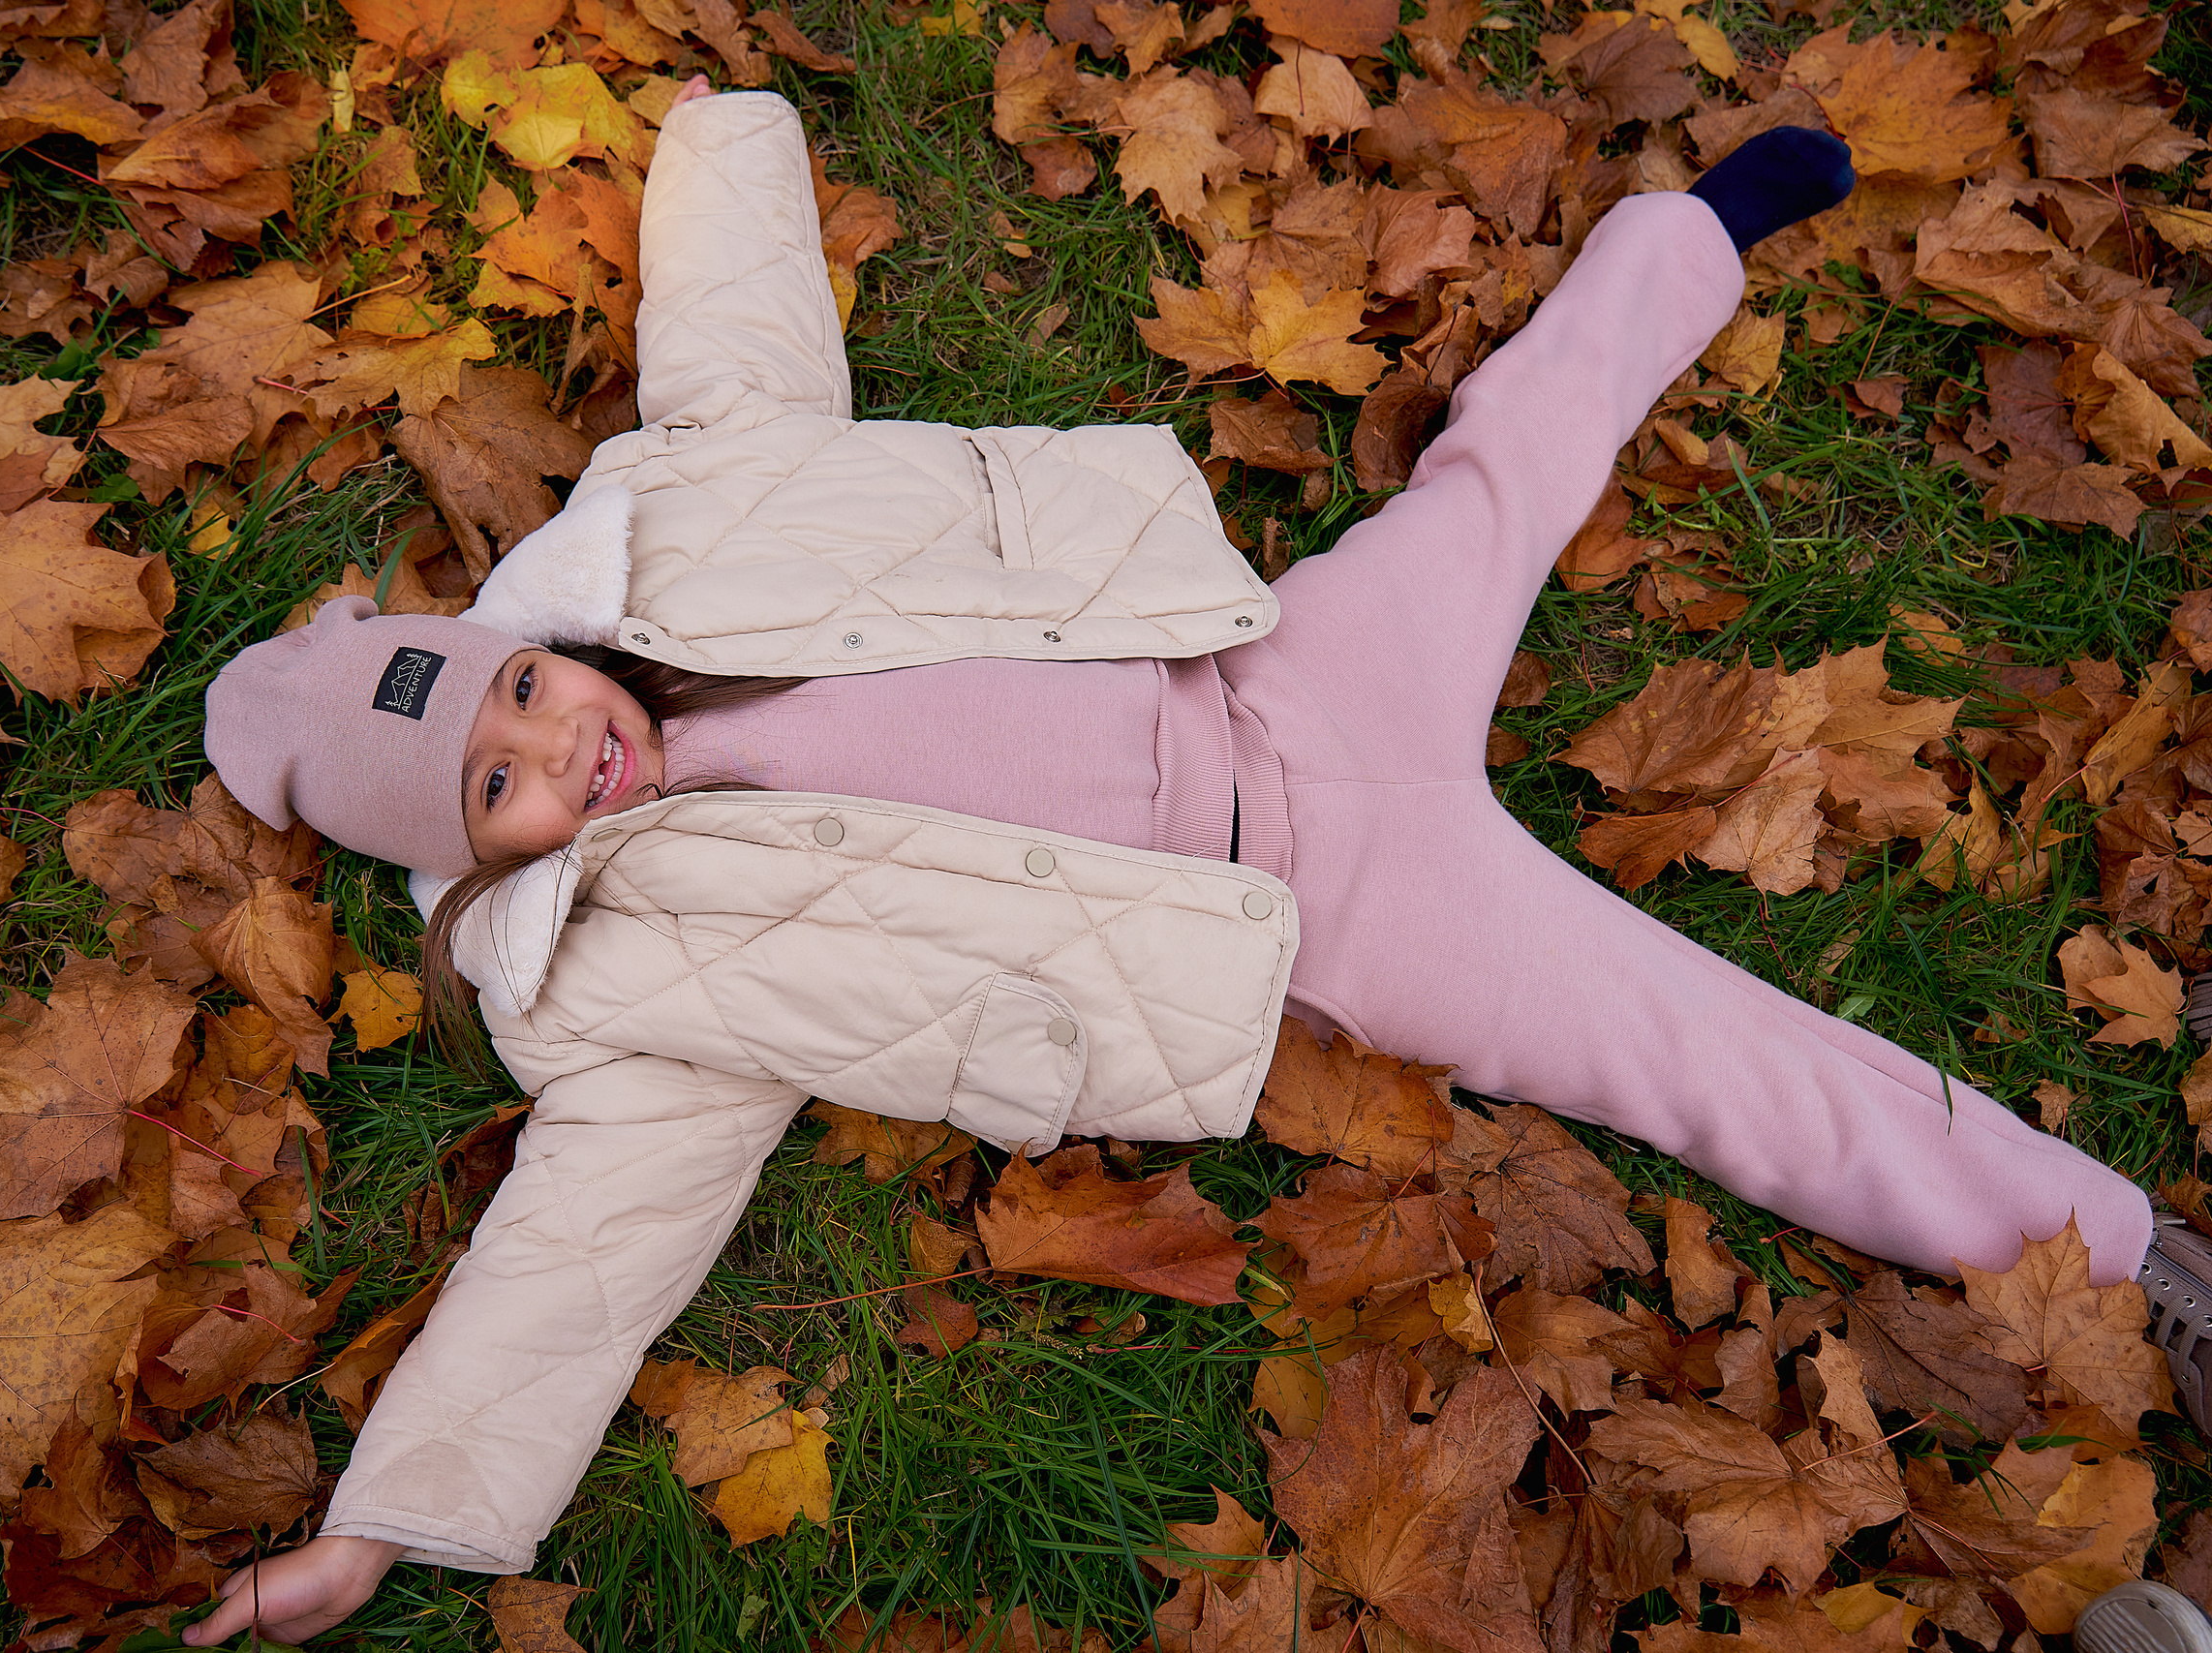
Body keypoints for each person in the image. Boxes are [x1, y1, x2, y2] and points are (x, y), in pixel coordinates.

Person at [181, 77, 2197, 1646]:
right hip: (1318, 906)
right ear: (481, 870)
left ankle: (1683, 240)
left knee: (1491, 481)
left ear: (531, 625)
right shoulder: (621, 988)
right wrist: (391, 1513)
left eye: (524, 687)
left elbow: (729, 335)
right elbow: (571, 1257)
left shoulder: (683, 528)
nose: (565, 744)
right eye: (507, 786)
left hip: (1279, 659)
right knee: (1690, 1051)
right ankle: (2119, 1253)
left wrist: (719, 136)